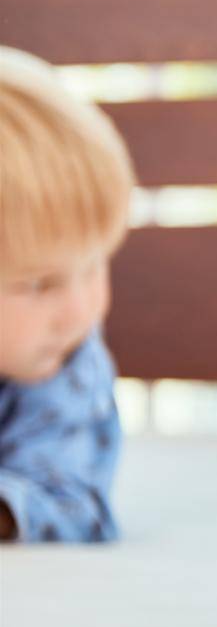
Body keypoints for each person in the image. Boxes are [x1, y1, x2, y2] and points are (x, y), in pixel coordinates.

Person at [0, 47, 136, 543]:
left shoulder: (69, 368)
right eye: (39, 284)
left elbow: (69, 500)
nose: (81, 310)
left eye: (95, 265)